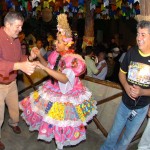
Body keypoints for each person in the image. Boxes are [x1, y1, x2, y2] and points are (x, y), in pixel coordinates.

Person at [19, 14, 98, 150]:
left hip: (66, 94)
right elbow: (50, 68)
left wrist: (43, 67)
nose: (55, 43)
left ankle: (60, 145)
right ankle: (57, 143)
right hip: (53, 89)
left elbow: (64, 78)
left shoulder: (73, 59)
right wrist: (39, 57)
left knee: (62, 122)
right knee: (52, 121)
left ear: (67, 44)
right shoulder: (56, 54)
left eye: (59, 41)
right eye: (56, 40)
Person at [100, 20, 150, 150]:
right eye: (138, 34)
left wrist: (142, 92)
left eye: (143, 34)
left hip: (141, 108)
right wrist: (126, 87)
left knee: (126, 140)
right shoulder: (132, 52)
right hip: (125, 103)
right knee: (113, 135)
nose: (139, 38)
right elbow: (121, 74)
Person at [0, 11, 36, 150]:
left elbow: (19, 58)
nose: (21, 30)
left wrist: (30, 58)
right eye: (18, 26)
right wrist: (18, 66)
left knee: (15, 112)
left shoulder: (15, 39)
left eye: (21, 26)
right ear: (7, 24)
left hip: (12, 83)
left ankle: (13, 124)